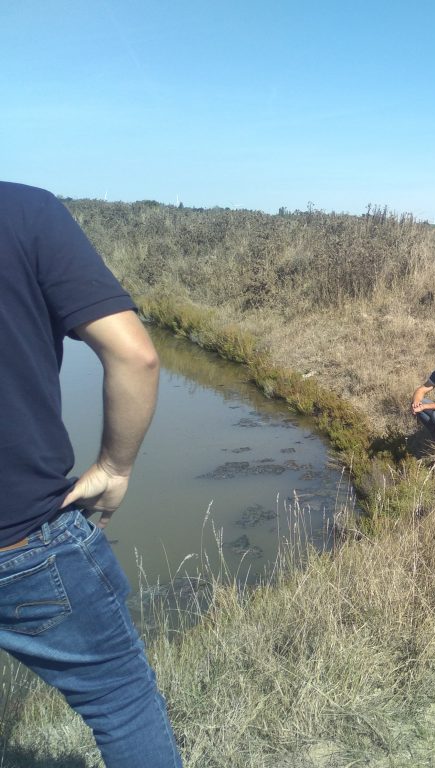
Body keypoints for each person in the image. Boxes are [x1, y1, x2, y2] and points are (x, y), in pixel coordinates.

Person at [0, 182, 181, 765]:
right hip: (23, 535)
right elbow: (136, 355)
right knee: (121, 701)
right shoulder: (23, 211)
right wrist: (114, 466)